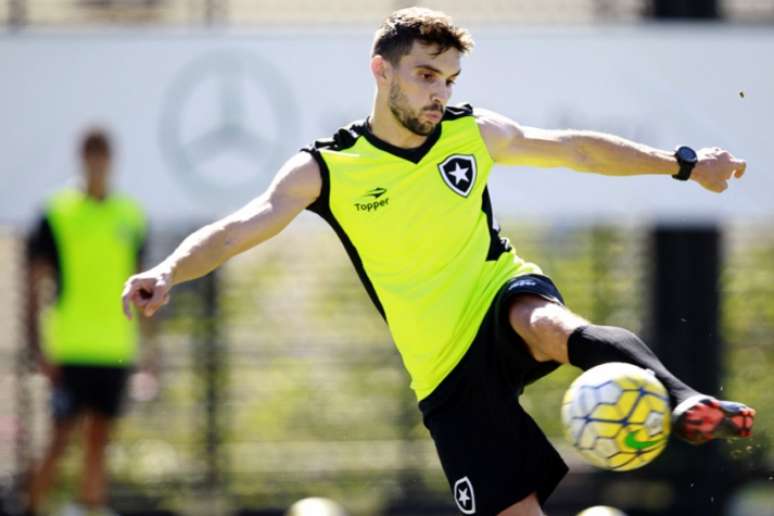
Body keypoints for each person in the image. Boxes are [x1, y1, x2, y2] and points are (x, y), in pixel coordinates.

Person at [121, 8, 755, 516]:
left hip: (496, 291)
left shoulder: (470, 131)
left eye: (449, 79)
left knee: (546, 323)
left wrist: (685, 163)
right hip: (442, 368)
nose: (440, 93)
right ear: (382, 71)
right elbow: (239, 227)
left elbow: (575, 151)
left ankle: (682, 401)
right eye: (426, 75)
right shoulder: (326, 168)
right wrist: (167, 270)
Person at [25, 128, 148, 516]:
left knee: (99, 438)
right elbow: (33, 284)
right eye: (91, 154)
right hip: (70, 345)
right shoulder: (57, 212)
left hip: (115, 345)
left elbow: (145, 283)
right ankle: (30, 507)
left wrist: (149, 348)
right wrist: (38, 344)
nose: (97, 162)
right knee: (60, 439)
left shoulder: (129, 214)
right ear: (81, 158)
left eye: (103, 154)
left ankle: (90, 508)